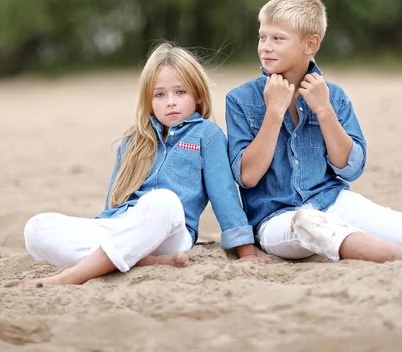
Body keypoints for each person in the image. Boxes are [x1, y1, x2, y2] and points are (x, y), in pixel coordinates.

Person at [225, 0, 402, 274]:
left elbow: (351, 169)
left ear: (310, 44)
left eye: (278, 39)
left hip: (332, 200)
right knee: (311, 224)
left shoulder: (334, 96)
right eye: (262, 37)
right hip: (277, 221)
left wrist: (324, 111)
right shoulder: (240, 100)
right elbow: (247, 176)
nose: (265, 47)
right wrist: (273, 113)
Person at [21, 42, 269, 286]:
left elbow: (224, 196)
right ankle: (140, 260)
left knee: (163, 199)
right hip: (125, 226)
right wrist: (107, 229)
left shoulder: (208, 135)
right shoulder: (134, 139)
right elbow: (115, 199)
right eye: (160, 94)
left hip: (170, 231)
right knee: (37, 229)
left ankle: (71, 276)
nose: (170, 101)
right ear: (148, 100)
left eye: (180, 92)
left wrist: (246, 252)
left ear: (198, 95)